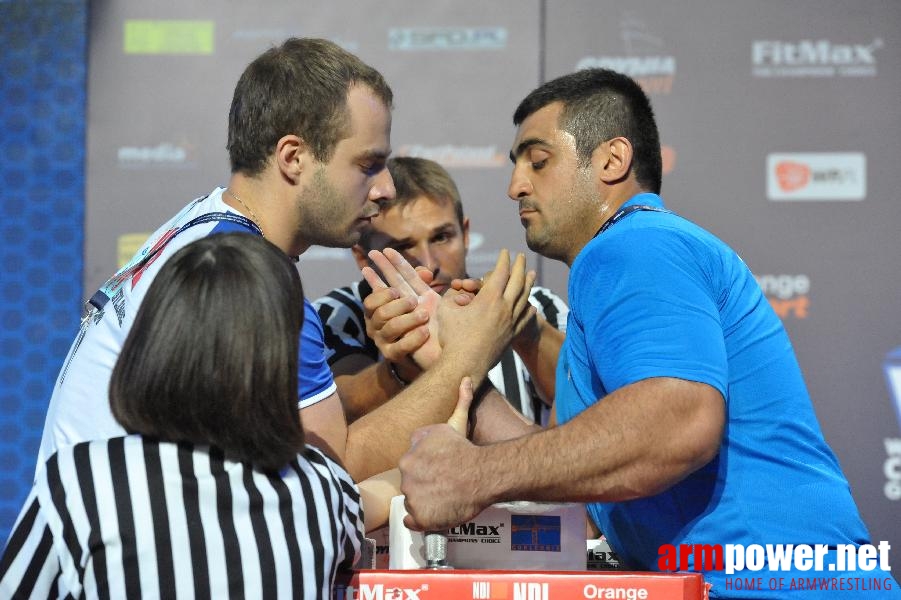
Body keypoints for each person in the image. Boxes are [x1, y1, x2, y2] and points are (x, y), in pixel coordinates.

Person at [396, 68, 899, 597]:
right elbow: (582, 474)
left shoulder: (633, 246)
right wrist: (448, 366)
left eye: (538, 161)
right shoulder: (629, 258)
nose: (515, 185)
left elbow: (677, 422)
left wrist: (476, 475)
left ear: (613, 160)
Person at [37, 37, 534, 485]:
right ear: (293, 157)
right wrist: (467, 356)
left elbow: (284, 420)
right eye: (368, 164)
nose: (385, 189)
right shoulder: (244, 278)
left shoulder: (212, 227)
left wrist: (399, 374)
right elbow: (328, 474)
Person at [1, 233, 364, 598]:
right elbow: (382, 496)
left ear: (154, 340)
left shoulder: (82, 481)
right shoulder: (320, 486)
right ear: (277, 361)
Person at [314, 156, 567, 425]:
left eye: (441, 237)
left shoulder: (537, 306)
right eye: (402, 247)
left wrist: (525, 332)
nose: (429, 263)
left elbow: (590, 400)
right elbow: (336, 409)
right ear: (363, 258)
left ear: (466, 234)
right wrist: (402, 367)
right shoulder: (337, 314)